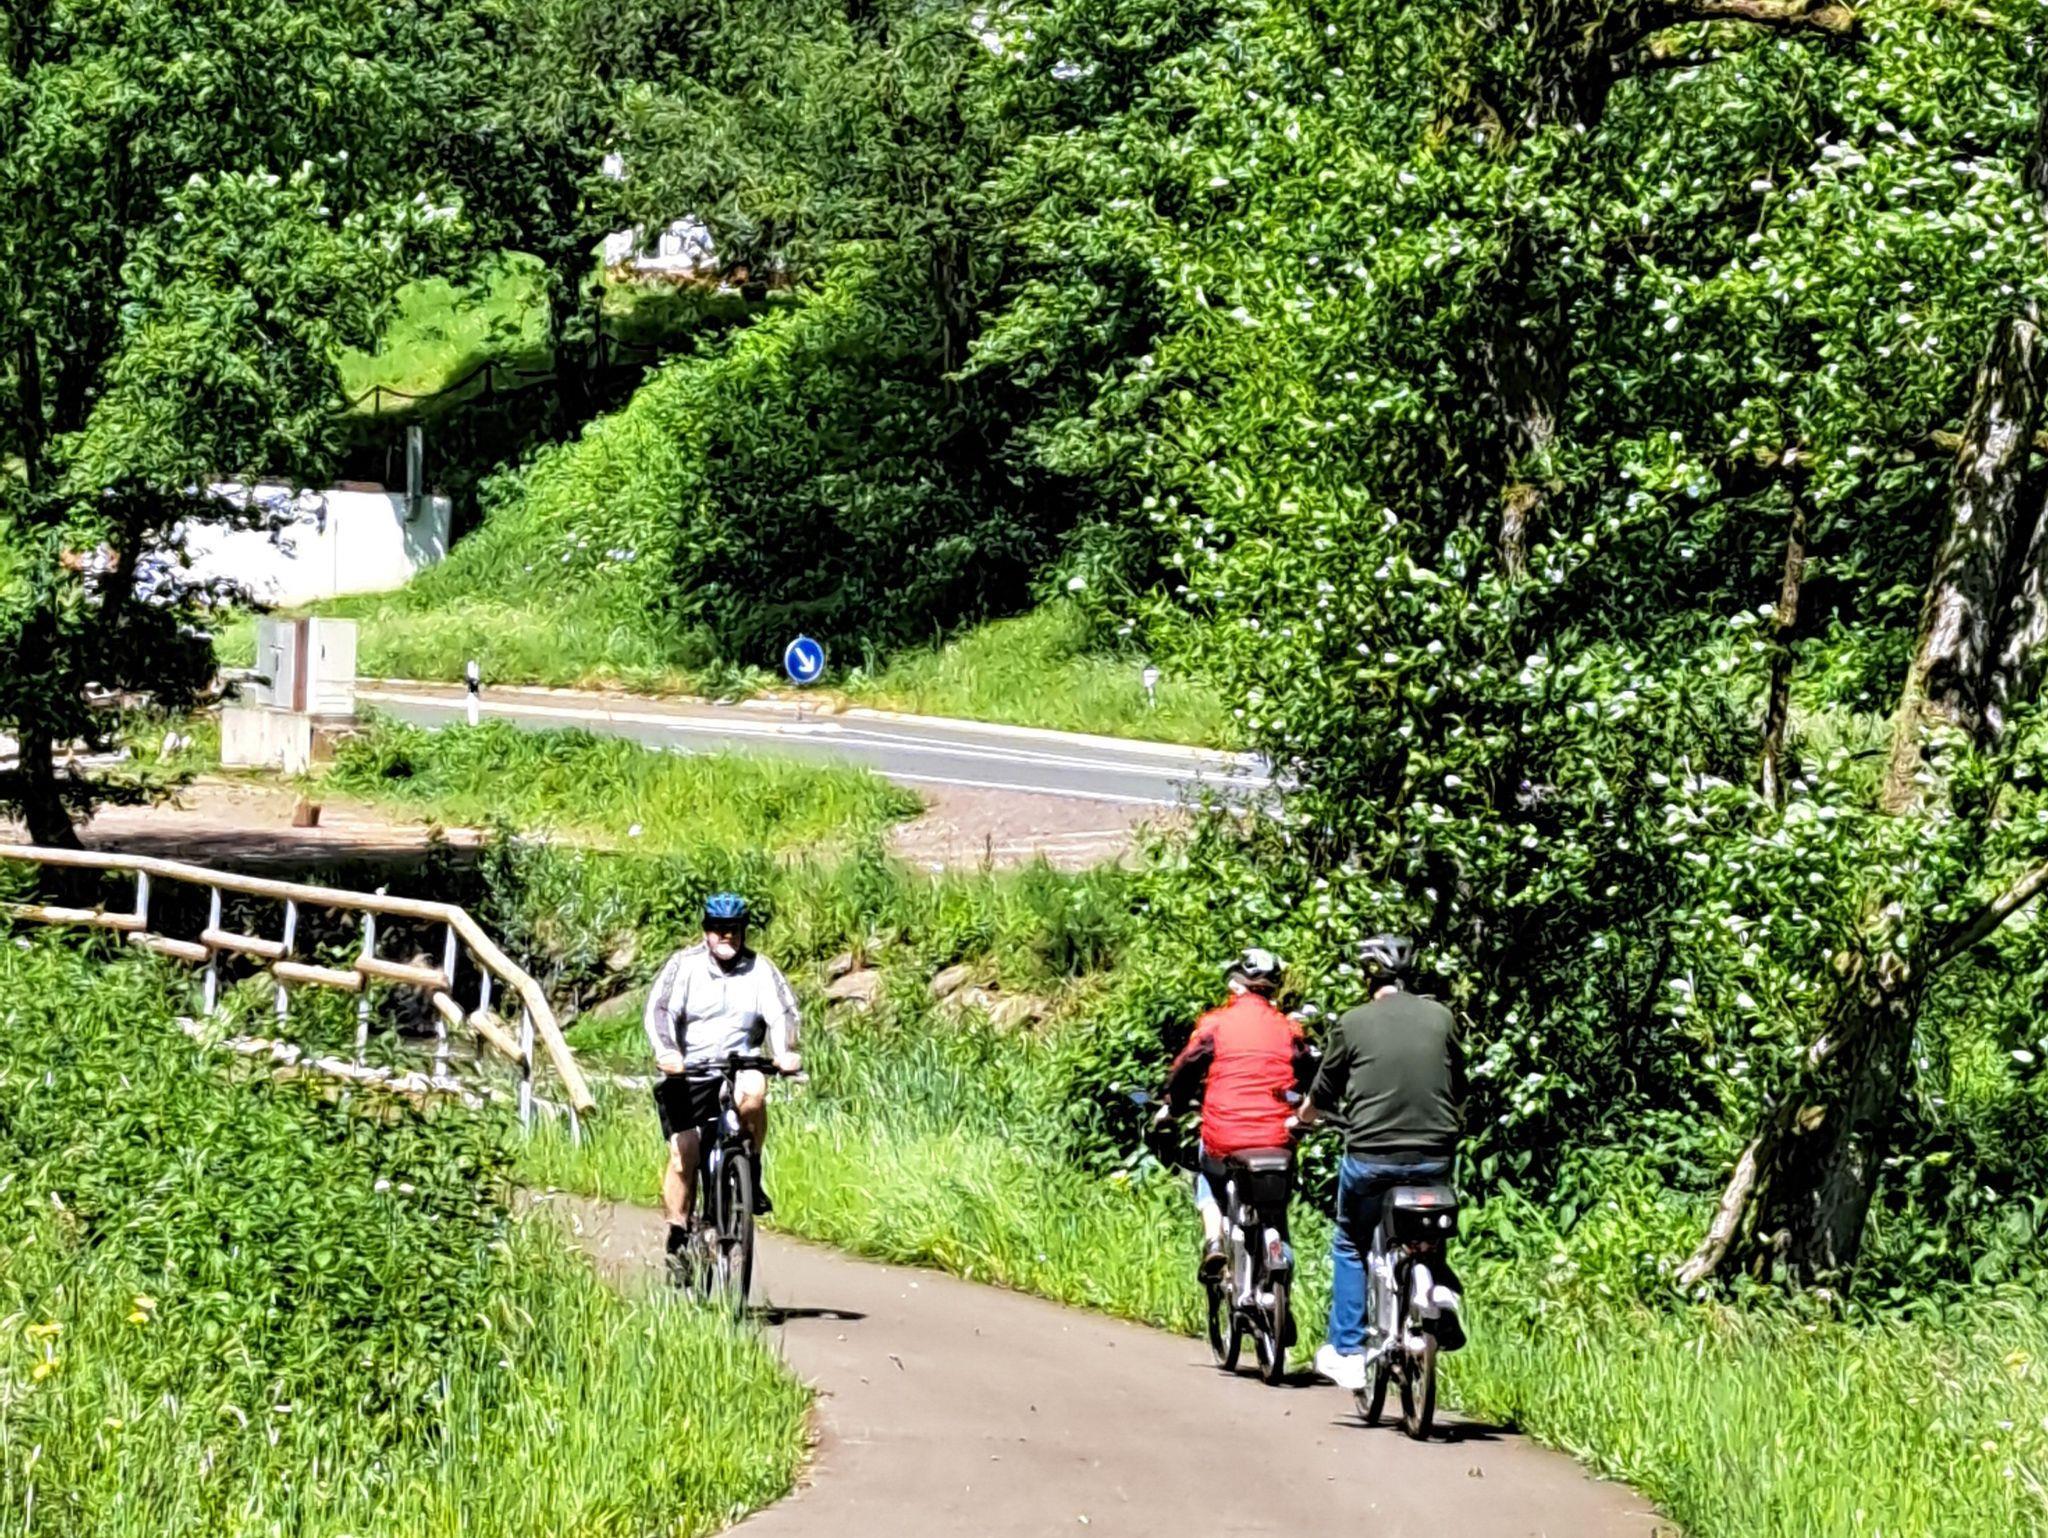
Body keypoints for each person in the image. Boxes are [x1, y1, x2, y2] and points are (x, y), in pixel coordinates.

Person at [1302, 934, 1463, 1390]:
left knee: (1350, 1242)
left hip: (1371, 1156)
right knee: (1429, 1225)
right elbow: (1459, 1085)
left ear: (1368, 977)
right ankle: (1438, 1288)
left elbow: (1324, 1091)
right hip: (1434, 1153)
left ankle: (1348, 1349)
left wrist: (1304, 1117)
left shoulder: (1352, 1022)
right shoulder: (1442, 1017)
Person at [644, 893, 802, 1270]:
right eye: (718, 929)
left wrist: (785, 1052)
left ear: (743, 932)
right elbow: (660, 1011)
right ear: (706, 932)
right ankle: (678, 1234)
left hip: (739, 1065)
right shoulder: (685, 966)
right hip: (689, 1070)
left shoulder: (761, 970)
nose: (725, 936)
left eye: (732, 929)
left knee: (755, 1094)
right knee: (684, 1152)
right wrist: (668, 1052)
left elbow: (783, 1013)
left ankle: (750, 1166)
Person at [1160, 948, 1318, 1281]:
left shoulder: (1216, 1024)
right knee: (1276, 1209)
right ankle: (1280, 1272)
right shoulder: (1289, 1028)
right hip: (1277, 1138)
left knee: (1206, 1169)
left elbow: (1185, 1069)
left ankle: (1214, 1238)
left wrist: (1173, 1107)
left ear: (1237, 984)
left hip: (1224, 1135)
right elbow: (1309, 1075)